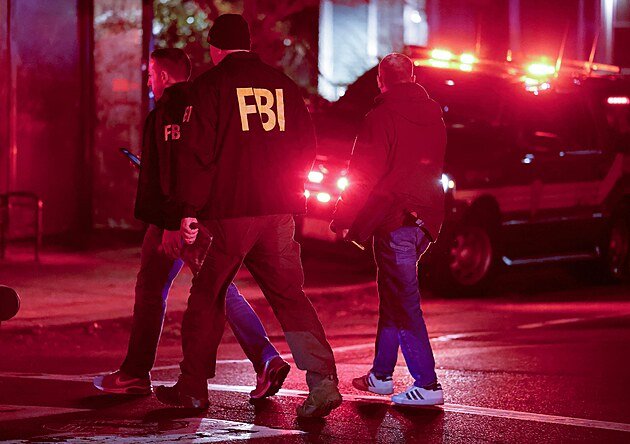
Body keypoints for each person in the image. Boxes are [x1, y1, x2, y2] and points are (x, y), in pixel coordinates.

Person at [154, 14, 342, 418]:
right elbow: (306, 147)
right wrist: (288, 190)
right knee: (290, 295)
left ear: (215, 47)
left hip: (230, 212)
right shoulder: (283, 85)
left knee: (208, 294)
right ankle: (323, 381)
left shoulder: (210, 86)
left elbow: (197, 155)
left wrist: (187, 210)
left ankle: (192, 386)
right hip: (279, 210)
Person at [93, 48, 290, 401]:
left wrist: (172, 222)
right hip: (208, 215)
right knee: (218, 289)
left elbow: (175, 169)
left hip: (173, 220)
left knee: (154, 290)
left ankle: (137, 373)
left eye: (151, 75)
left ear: (164, 76)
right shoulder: (206, 103)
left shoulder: (168, 111)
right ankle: (266, 359)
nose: (149, 82)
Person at [331, 53, 446, 406]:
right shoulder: (435, 114)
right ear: (413, 77)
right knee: (394, 294)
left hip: (395, 219)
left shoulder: (379, 118)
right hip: (426, 219)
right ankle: (381, 375)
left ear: (381, 80)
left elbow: (362, 175)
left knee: (404, 300)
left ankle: (427, 383)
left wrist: (343, 217)